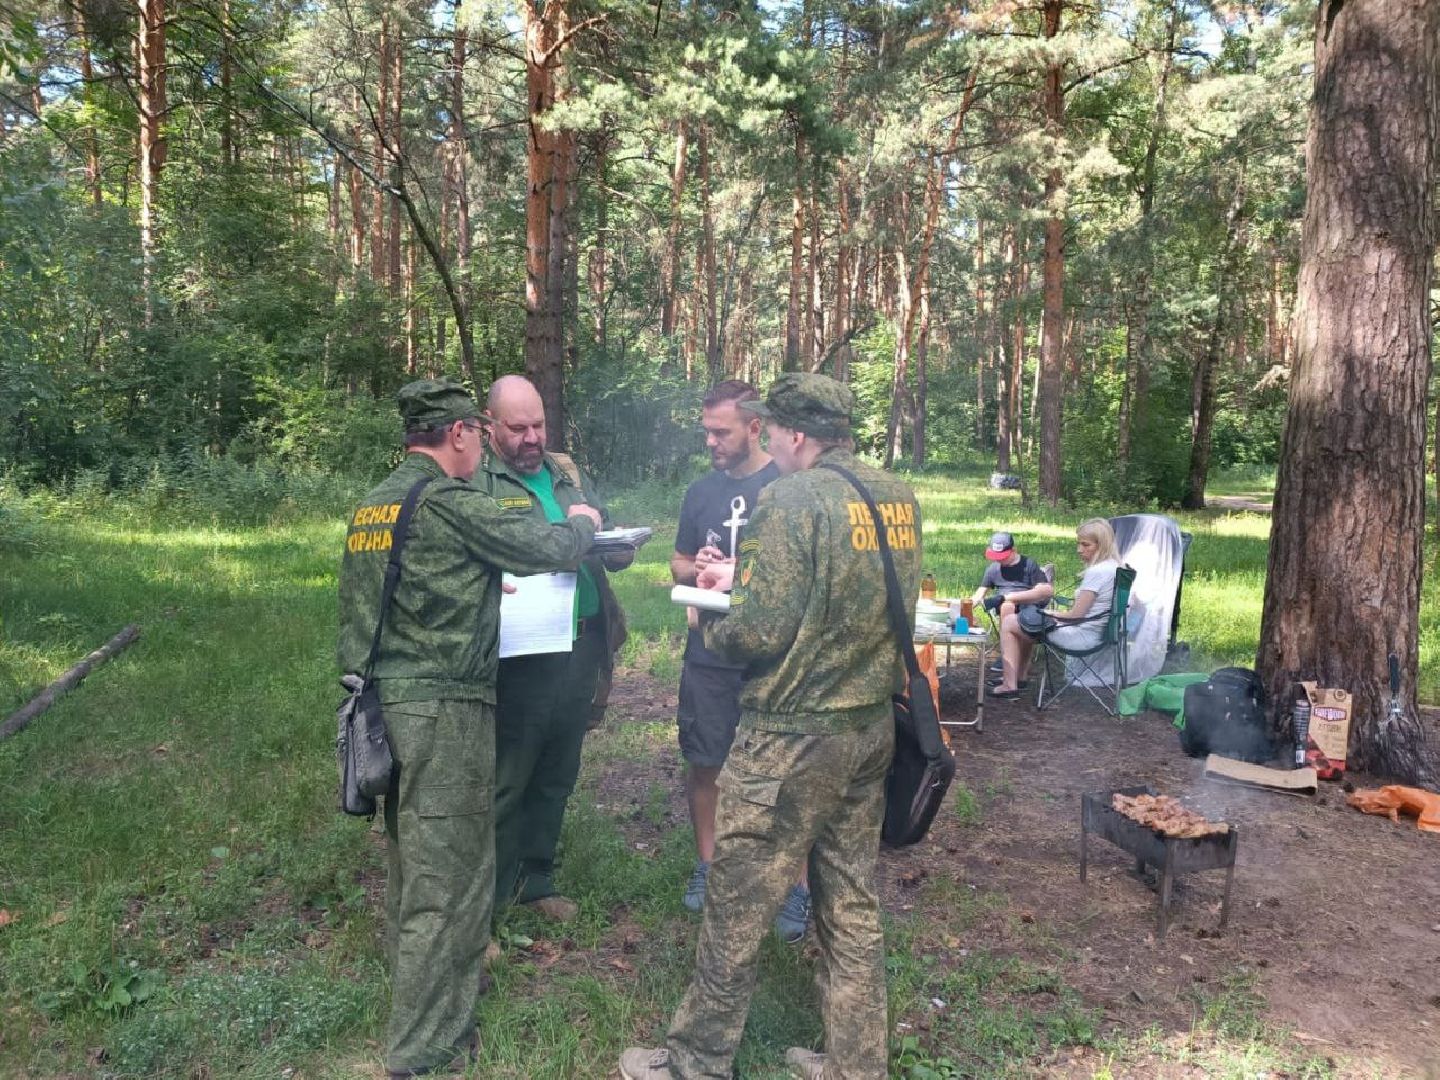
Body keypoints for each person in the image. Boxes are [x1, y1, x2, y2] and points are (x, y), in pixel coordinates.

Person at [621, 373, 923, 1080]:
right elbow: (867, 600)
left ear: (791, 434)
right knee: (849, 901)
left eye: (770, 429)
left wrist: (711, 616)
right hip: (868, 728)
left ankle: (695, 1061)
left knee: (735, 898)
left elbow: (757, 632)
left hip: (790, 735)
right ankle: (856, 1065)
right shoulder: (894, 495)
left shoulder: (791, 497)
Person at [337, 379, 602, 1079]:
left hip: (385, 702)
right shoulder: (446, 501)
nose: (483, 445)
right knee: (446, 874)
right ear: (458, 432)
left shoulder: (376, 503)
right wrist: (582, 519)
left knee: (411, 857)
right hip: (444, 706)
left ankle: (426, 991)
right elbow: (543, 544)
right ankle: (422, 1044)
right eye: (479, 434)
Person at [477, 374, 632, 925]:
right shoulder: (479, 480)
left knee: (558, 769)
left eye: (538, 424)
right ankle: (487, 903)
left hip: (582, 638)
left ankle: (534, 881)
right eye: (517, 428)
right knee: (509, 773)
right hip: (522, 649)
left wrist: (616, 547)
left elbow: (600, 526)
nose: (531, 437)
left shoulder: (565, 472)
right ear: (490, 426)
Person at [671, 381, 809, 942]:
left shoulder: (790, 486)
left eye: (720, 431)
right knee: (706, 760)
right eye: (706, 430)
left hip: (776, 657)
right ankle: (709, 866)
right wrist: (697, 564)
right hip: (709, 653)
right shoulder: (700, 491)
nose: (710, 441)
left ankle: (795, 889)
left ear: (755, 427)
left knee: (791, 772)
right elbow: (679, 563)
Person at [989, 517, 1121, 700]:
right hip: (1096, 632)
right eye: (1078, 543)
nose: (1079, 550)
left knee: (1011, 622)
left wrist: (1049, 613)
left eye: (1086, 545)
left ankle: (1009, 684)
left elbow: (1076, 615)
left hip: (1082, 636)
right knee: (1026, 620)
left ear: (1102, 545)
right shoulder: (1114, 567)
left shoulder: (1097, 573)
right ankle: (1019, 678)